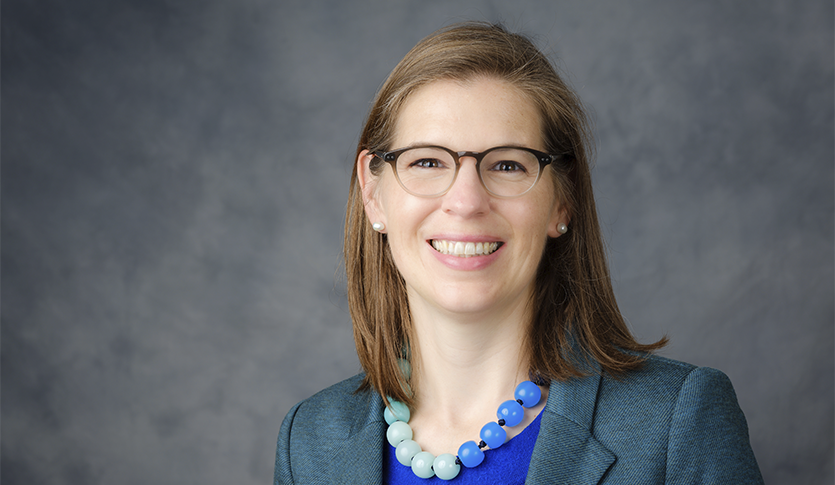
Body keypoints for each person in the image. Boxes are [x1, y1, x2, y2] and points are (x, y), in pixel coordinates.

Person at [275, 22, 763, 484]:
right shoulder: (310, 442)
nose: (466, 202)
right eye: (427, 161)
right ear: (373, 193)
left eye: (508, 165)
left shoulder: (676, 421)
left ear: (562, 201)